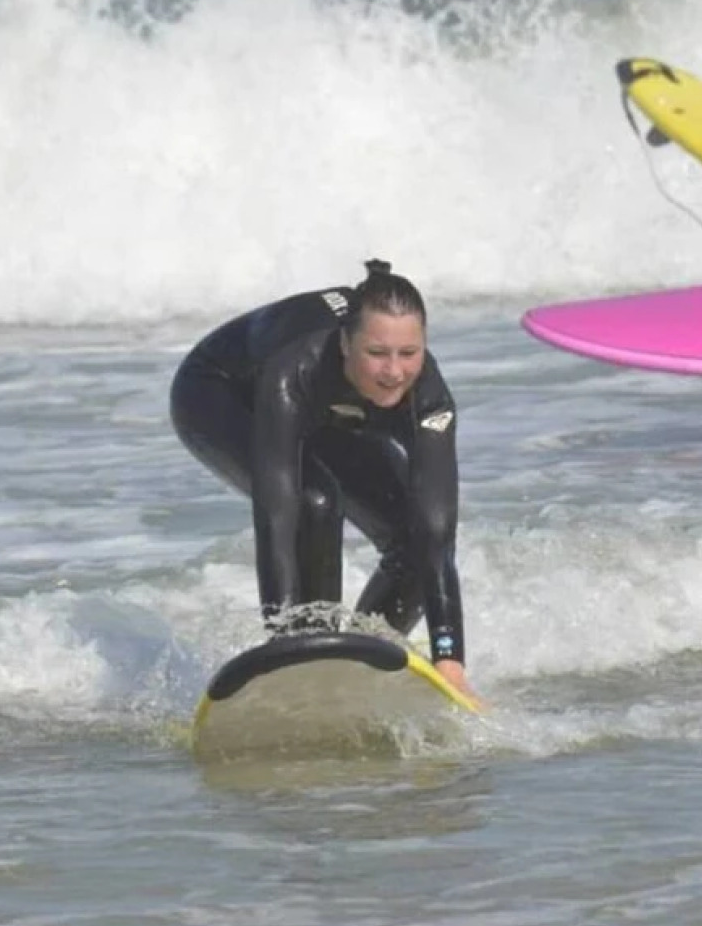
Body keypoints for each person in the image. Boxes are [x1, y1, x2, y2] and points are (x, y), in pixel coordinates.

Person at [170, 259, 476, 702]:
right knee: (315, 500)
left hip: (327, 410)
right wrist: (281, 642)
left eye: (409, 353)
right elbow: (278, 514)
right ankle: (305, 656)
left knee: (413, 538)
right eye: (377, 353)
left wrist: (450, 659)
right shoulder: (295, 367)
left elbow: (436, 530)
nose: (394, 372)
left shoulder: (429, 399)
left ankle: (362, 659)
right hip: (220, 392)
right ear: (346, 343)